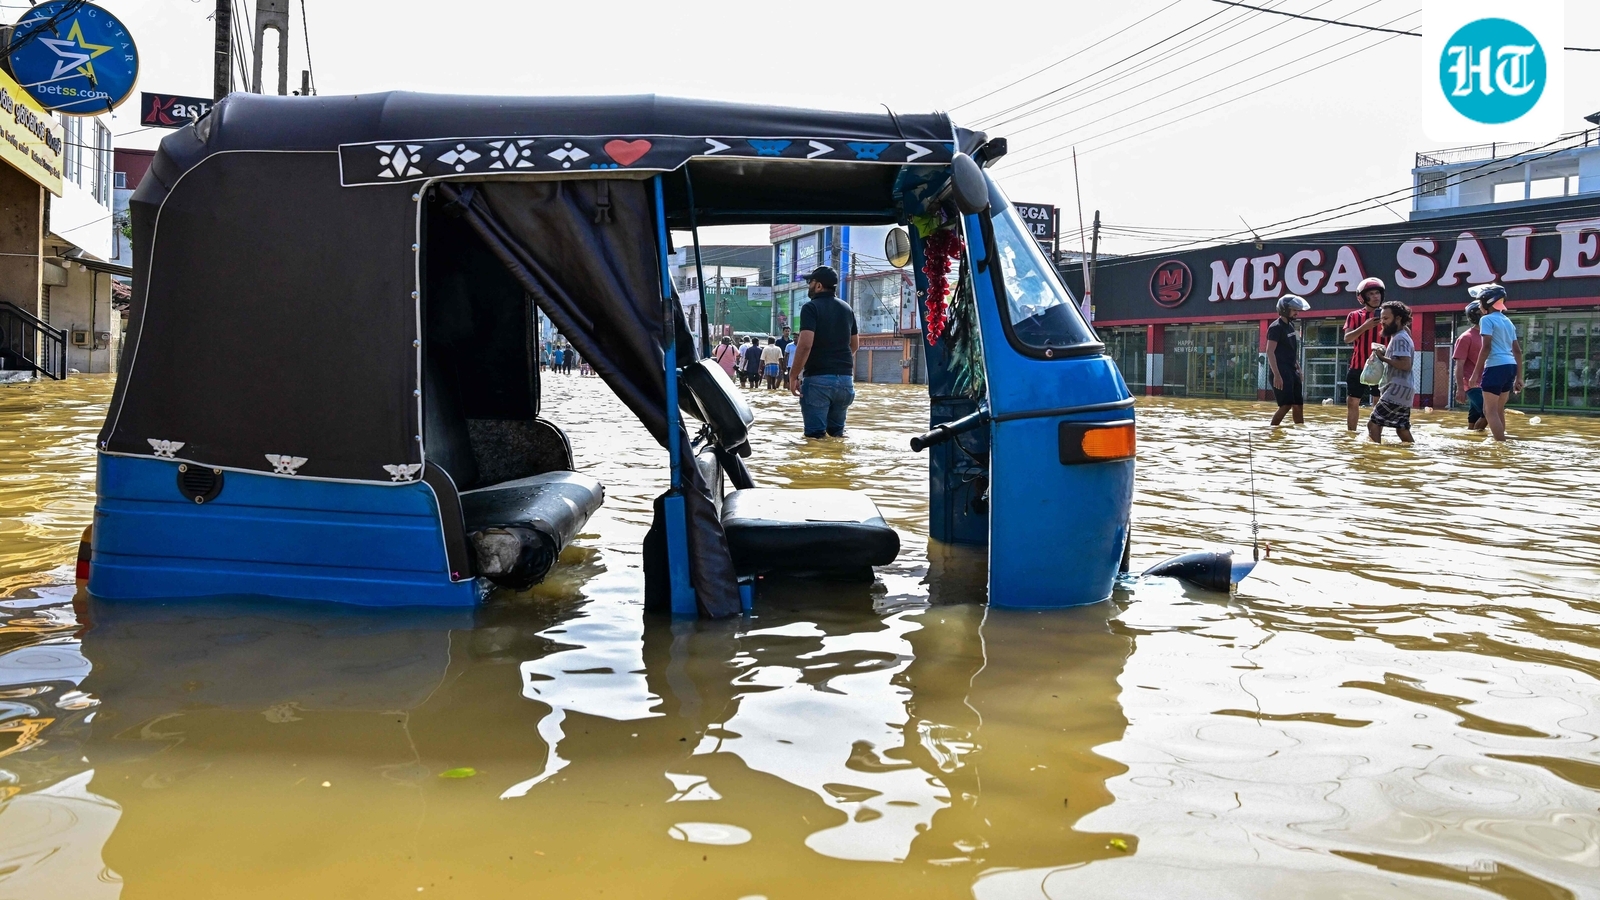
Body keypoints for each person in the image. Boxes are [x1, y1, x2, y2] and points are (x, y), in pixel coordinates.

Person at [788, 266, 858, 438]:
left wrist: (793, 376)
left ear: (818, 285)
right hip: (845, 382)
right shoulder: (847, 309)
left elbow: (805, 345)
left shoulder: (810, 308)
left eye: (810, 282)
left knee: (815, 439)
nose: (808, 286)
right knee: (837, 436)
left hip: (818, 381)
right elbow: (855, 345)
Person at [1466, 284, 1523, 441]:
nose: (1479, 306)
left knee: (1489, 410)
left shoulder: (1486, 319)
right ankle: (1500, 442)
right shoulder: (1508, 321)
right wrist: (1519, 377)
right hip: (1510, 366)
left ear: (1487, 303)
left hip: (1495, 367)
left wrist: (1475, 374)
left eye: (1480, 302)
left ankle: (1500, 444)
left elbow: (1486, 348)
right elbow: (1518, 351)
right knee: (1498, 410)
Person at [1366, 300, 1415, 444]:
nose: (1382, 322)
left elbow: (1405, 364)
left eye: (1386, 318)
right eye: (1381, 318)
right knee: (1402, 428)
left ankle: (1376, 454)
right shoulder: (1401, 334)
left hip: (1396, 390)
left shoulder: (1400, 338)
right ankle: (1412, 451)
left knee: (1373, 424)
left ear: (1398, 318)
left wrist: (1383, 358)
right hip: (1404, 390)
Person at [1342, 276, 1386, 431]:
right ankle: (1351, 435)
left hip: (1382, 366)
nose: (1375, 296)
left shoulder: (1389, 315)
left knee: (1378, 402)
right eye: (1371, 294)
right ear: (1363, 298)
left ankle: (1375, 434)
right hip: (1358, 366)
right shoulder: (1354, 315)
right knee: (1352, 401)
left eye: (1377, 293)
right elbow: (1347, 338)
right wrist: (1364, 327)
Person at [1266, 294, 1310, 426]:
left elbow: (1291, 351)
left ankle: (1300, 431)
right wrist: (1277, 375)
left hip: (1292, 371)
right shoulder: (1275, 327)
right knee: (1286, 405)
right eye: (1294, 310)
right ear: (1285, 310)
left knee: (1298, 405)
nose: (1297, 313)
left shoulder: (1290, 326)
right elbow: (1269, 351)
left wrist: (1299, 369)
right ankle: (1272, 431)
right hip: (1280, 372)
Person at [1452, 300, 1487, 432]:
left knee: (1474, 418)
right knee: (1488, 414)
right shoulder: (1466, 337)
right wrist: (1460, 388)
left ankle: (1471, 441)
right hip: (1472, 385)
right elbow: (1459, 365)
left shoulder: (1488, 335)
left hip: (1485, 382)